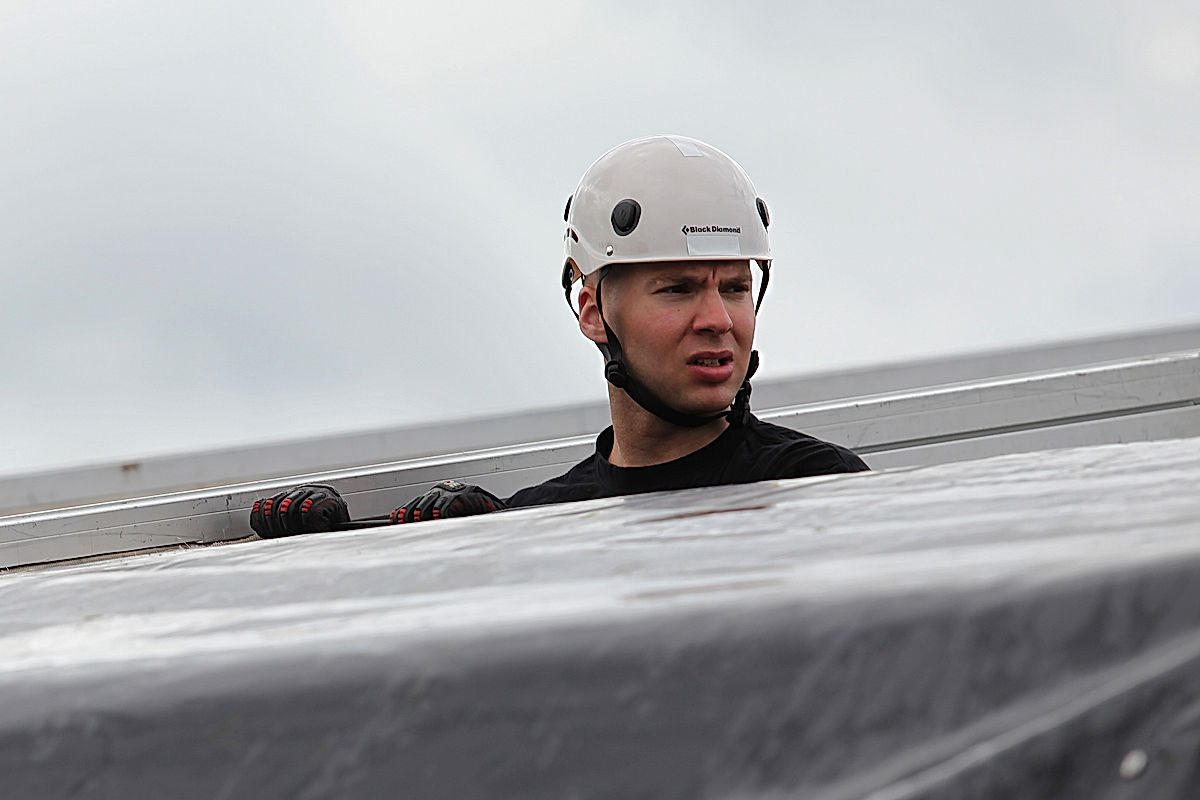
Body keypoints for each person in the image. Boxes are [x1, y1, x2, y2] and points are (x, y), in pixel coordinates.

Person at [250, 135, 867, 539]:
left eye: (733, 287)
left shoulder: (817, 488)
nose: (718, 319)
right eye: (678, 289)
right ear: (593, 311)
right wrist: (332, 560)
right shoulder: (547, 519)